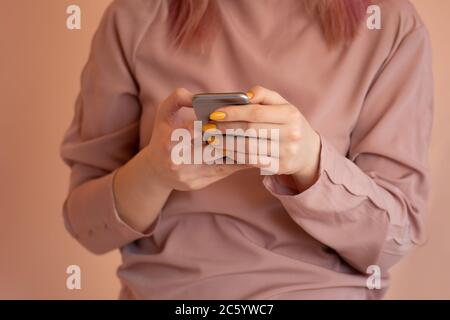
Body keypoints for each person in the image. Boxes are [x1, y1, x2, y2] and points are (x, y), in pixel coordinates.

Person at [60, 0, 433, 299]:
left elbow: (392, 242)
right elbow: (88, 226)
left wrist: (310, 164)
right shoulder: (133, 17)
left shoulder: (389, 24)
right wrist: (154, 172)